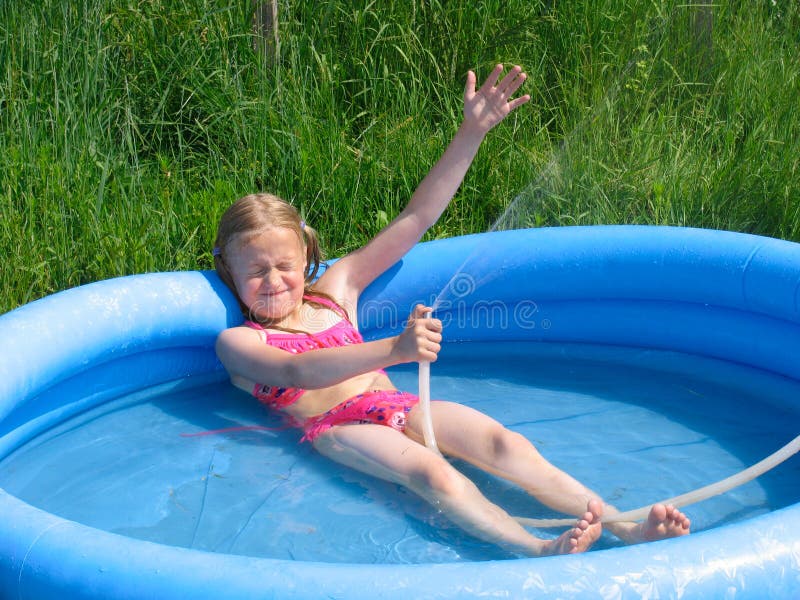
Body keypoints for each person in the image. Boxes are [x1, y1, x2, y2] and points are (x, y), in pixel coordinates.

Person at [213, 64, 690, 557]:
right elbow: (298, 370)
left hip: (401, 408)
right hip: (338, 427)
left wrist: (471, 133)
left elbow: (415, 219)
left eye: (285, 265)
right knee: (431, 471)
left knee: (506, 445)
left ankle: (628, 528)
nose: (273, 281)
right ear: (229, 272)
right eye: (255, 272)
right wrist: (394, 348)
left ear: (307, 256)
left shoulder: (336, 291)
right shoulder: (241, 342)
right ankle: (538, 549)